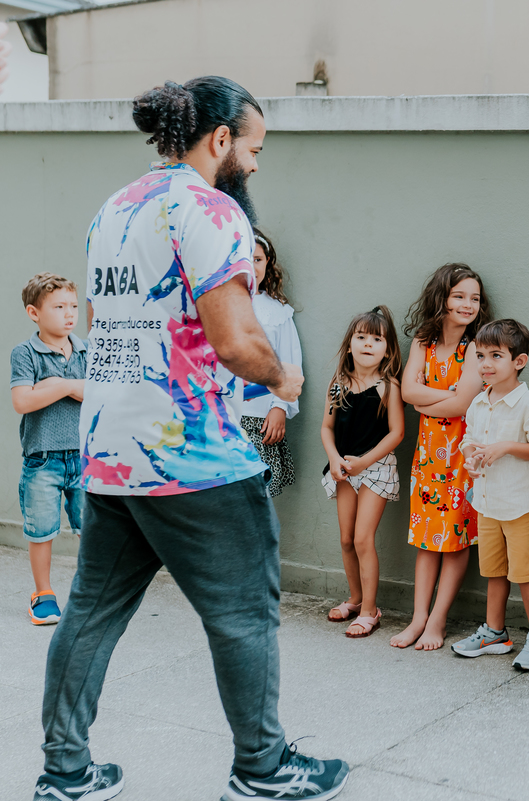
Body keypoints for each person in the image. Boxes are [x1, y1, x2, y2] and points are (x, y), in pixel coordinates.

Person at [33, 77, 348, 801]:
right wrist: (285, 377)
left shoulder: (113, 208)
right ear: (219, 142)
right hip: (195, 456)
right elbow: (237, 342)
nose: (257, 165)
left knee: (89, 613)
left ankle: (65, 773)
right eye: (254, 147)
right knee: (243, 617)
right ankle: (262, 770)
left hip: (111, 451)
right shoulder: (211, 210)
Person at [391, 263, 490, 650]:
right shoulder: (423, 341)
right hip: (428, 457)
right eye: (459, 296)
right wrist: (444, 402)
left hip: (464, 458)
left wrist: (431, 401)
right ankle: (418, 618)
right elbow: (406, 392)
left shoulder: (477, 346)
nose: (468, 304)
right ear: (442, 298)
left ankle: (438, 620)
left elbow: (463, 403)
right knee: (427, 538)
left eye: (475, 298)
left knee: (456, 540)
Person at [451, 319, 529, 670]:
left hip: (518, 505)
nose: (485, 364)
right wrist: (470, 453)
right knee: (493, 571)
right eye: (480, 355)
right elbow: (468, 439)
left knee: (524, 573)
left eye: (496, 355)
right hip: (486, 502)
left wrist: (508, 447)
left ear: (519, 361)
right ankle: (495, 632)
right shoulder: (479, 402)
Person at [321, 306, 405, 638]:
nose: (367, 344)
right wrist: (335, 458)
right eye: (361, 337)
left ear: (388, 348)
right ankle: (355, 599)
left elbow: (396, 433)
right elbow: (327, 428)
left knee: (362, 538)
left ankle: (371, 610)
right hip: (343, 468)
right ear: (350, 343)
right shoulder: (338, 383)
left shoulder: (389, 387)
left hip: (375, 469)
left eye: (376, 338)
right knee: (345, 540)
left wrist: (364, 462)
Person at [10, 273, 86, 626]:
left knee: (93, 528)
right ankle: (43, 594)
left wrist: (58, 384)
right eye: (59, 307)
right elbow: (23, 401)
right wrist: (71, 387)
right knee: (41, 531)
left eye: (73, 306)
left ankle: (91, 593)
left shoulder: (86, 349)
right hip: (42, 461)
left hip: (85, 459)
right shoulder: (25, 353)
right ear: (34, 313)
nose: (69, 314)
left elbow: (98, 395)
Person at [241, 228, 301, 498]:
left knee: (255, 493)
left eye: (257, 259)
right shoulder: (215, 306)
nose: (252, 266)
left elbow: (290, 361)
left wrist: (280, 407)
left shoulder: (276, 311)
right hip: (222, 415)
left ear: (267, 263)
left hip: (258, 417)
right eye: (244, 258)